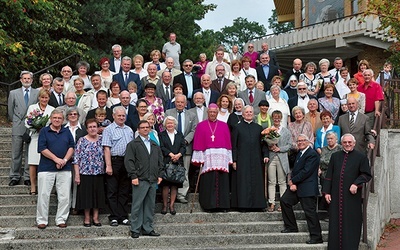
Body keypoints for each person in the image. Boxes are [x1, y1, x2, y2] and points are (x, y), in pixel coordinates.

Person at [322, 133, 372, 250]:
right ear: (341, 143)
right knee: (335, 223)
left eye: (350, 142)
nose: (347, 144)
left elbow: (366, 174)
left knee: (351, 223)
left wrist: (356, 183)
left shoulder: (361, 157)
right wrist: (327, 192)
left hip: (351, 198)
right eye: (345, 142)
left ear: (354, 143)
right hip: (335, 195)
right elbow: (329, 175)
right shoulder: (335, 156)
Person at [280, 134, 323, 245]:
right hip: (297, 186)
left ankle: (316, 237)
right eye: (298, 141)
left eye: (303, 140)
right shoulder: (299, 153)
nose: (300, 143)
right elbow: (295, 170)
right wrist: (293, 182)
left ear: (308, 142)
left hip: (307, 187)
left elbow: (306, 171)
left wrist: (293, 181)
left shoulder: (312, 154)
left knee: (310, 213)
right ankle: (291, 226)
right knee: (285, 200)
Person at [36, 108, 75, 229]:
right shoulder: (44, 131)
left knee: (64, 196)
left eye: (59, 118)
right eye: (55, 118)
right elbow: (42, 148)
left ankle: (61, 219)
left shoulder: (67, 131)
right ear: (51, 119)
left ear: (63, 120)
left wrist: (64, 160)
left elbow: (71, 147)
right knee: (43, 195)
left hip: (65, 167)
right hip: (46, 168)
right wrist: (56, 159)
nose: (57, 120)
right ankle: (42, 220)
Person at [125, 120, 163, 238]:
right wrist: (133, 176)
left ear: (150, 129)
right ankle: (135, 229)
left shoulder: (154, 144)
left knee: (150, 205)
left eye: (147, 127)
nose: (145, 129)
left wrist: (160, 175)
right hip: (140, 179)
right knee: (137, 204)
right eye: (143, 127)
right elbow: (129, 161)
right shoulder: (133, 144)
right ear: (138, 129)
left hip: (152, 179)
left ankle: (147, 228)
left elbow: (160, 161)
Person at [191, 104, 232, 212]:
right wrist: (199, 157)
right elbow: (198, 141)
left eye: (214, 112)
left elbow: (228, 142)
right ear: (207, 112)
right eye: (210, 112)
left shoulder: (224, 125)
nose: (212, 114)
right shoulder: (201, 125)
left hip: (221, 157)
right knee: (209, 180)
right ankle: (209, 205)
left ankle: (223, 205)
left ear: (217, 113)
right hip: (207, 158)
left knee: (222, 180)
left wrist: (229, 157)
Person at [231, 105, 268, 211]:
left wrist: (265, 155)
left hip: (256, 159)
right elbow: (234, 145)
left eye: (250, 112)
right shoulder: (237, 127)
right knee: (244, 181)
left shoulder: (258, 128)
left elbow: (263, 144)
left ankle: (258, 205)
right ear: (242, 114)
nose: (248, 114)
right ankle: (243, 205)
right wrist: (234, 160)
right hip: (242, 160)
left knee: (256, 181)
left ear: (253, 114)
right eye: (246, 112)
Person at [102, 106, 134, 227]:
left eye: (123, 115)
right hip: (114, 161)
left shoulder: (129, 130)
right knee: (112, 190)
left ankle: (123, 216)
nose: (121, 117)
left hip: (127, 162)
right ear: (114, 116)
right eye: (119, 115)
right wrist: (108, 165)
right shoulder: (108, 130)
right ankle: (114, 217)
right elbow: (106, 148)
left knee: (124, 190)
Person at [8, 71, 39, 186]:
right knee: (16, 152)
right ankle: (15, 176)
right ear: (21, 80)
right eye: (24, 78)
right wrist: (16, 121)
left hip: (31, 127)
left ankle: (27, 176)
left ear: (32, 80)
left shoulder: (37, 92)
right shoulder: (13, 93)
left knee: (29, 153)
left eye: (28, 78)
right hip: (18, 125)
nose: (26, 80)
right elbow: (10, 111)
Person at [165, 94, 198, 203]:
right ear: (175, 102)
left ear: (186, 103)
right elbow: (165, 128)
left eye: (182, 102)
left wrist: (184, 141)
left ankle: (181, 194)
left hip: (186, 148)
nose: (179, 104)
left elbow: (194, 130)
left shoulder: (192, 115)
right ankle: (169, 194)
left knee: (184, 172)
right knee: (169, 171)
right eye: (177, 102)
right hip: (170, 148)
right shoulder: (168, 113)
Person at [73, 118, 105, 227]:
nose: (92, 129)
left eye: (94, 127)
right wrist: (77, 175)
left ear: (98, 128)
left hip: (99, 172)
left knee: (97, 196)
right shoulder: (82, 140)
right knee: (87, 196)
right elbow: (76, 158)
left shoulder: (102, 139)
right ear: (87, 129)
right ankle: (87, 218)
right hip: (85, 172)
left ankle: (96, 217)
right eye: (90, 127)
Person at [25, 89, 55, 194]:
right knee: (33, 162)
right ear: (39, 98)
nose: (44, 99)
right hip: (35, 136)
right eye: (42, 97)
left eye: (46, 97)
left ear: (48, 98)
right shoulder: (32, 108)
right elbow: (27, 122)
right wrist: (35, 127)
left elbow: (54, 123)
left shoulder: (52, 109)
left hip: (48, 138)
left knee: (47, 161)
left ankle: (46, 187)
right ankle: (33, 186)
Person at [159, 116, 186, 214]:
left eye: (172, 123)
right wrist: (170, 154)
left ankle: (172, 206)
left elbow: (183, 147)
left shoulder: (179, 134)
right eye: (168, 123)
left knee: (174, 185)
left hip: (178, 162)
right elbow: (161, 146)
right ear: (165, 125)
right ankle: (165, 206)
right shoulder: (161, 135)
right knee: (165, 185)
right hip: (166, 161)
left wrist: (178, 155)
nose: (170, 125)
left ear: (175, 124)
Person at [266, 110, 292, 212]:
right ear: (272, 118)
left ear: (281, 118)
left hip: (282, 157)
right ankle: (271, 203)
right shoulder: (269, 130)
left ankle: (283, 203)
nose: (276, 119)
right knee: (271, 181)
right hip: (272, 157)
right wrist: (270, 146)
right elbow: (265, 143)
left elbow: (289, 145)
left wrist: (280, 149)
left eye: (278, 117)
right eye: (275, 117)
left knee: (282, 182)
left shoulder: (286, 131)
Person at [65, 107, 88, 214]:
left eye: (75, 114)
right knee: (65, 183)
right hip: (65, 159)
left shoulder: (83, 129)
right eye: (70, 114)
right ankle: (66, 206)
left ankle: (74, 206)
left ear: (78, 116)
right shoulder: (63, 129)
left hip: (79, 161)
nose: (73, 116)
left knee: (76, 183)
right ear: (67, 117)